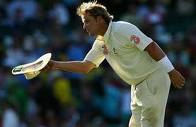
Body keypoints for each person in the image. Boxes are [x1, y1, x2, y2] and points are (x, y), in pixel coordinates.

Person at [43, 1, 185, 127]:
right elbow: (86, 66)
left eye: (87, 21)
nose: (84, 27)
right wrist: (55, 65)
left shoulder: (122, 28)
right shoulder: (100, 43)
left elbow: (151, 47)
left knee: (150, 124)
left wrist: (171, 71)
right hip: (137, 86)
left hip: (154, 77)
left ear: (99, 19)